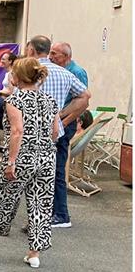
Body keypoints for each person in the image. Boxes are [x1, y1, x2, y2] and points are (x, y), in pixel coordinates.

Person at [0, 57, 60, 269]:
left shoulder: (15, 101)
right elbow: (55, 132)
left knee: (4, 197)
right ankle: (34, 253)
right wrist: (43, 148)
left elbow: (17, 131)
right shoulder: (49, 100)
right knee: (41, 204)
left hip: (22, 156)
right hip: (46, 157)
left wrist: (11, 161)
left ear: (19, 77)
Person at [26, 35, 90, 228]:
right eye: (51, 52)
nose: (52, 56)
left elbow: (84, 99)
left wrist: (64, 117)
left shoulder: (73, 71)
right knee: (50, 171)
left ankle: (57, 214)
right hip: (56, 128)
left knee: (47, 172)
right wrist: (59, 119)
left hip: (45, 128)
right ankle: (48, 215)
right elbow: (84, 96)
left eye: (56, 53)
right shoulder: (63, 72)